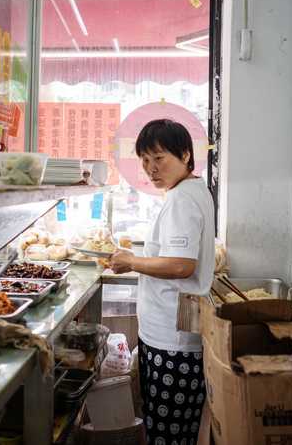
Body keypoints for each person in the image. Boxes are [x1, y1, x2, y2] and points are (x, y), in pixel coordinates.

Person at [109, 119, 215, 445]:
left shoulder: (182, 199)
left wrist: (130, 261)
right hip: (175, 333)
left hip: (172, 342)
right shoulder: (193, 189)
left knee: (166, 433)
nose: (151, 168)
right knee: (174, 429)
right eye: (145, 160)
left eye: (159, 158)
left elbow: (181, 265)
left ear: (185, 154)